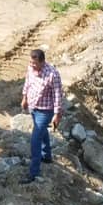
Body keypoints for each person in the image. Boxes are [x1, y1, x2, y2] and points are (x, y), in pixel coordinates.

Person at [22, 47, 62, 183]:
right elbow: (27, 82)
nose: (32, 65)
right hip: (33, 107)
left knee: (35, 139)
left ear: (42, 62)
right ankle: (47, 156)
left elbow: (57, 95)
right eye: (31, 62)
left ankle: (33, 172)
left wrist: (57, 114)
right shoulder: (30, 69)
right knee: (41, 131)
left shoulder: (53, 74)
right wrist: (24, 98)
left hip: (45, 110)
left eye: (35, 63)